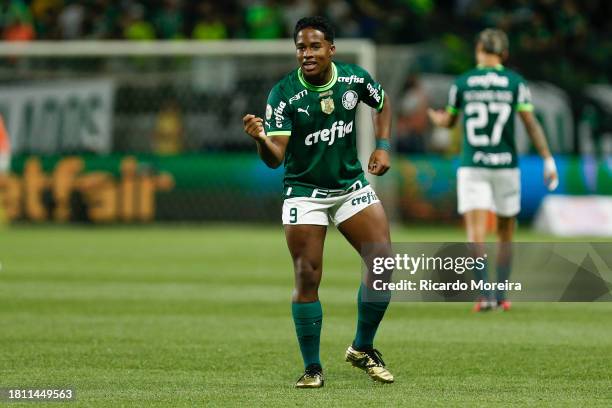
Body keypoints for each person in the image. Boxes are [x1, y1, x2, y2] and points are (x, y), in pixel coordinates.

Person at [242, 16, 394, 388]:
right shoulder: (284, 94)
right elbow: (275, 158)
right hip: (305, 193)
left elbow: (383, 102)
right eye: (300, 47)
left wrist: (383, 145)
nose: (306, 53)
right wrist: (261, 139)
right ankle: (312, 368)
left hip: (350, 187)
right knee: (307, 276)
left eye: (314, 46)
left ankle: (362, 348)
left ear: (331, 49)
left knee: (384, 263)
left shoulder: (353, 79)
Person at [428, 28, 559, 312]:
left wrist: (437, 120)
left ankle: (484, 295)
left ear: (478, 49)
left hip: (473, 166)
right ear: (505, 54)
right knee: (506, 234)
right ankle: (501, 294)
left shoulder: (463, 83)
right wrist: (548, 158)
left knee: (476, 234)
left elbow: (450, 122)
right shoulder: (514, 82)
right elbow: (530, 123)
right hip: (505, 167)